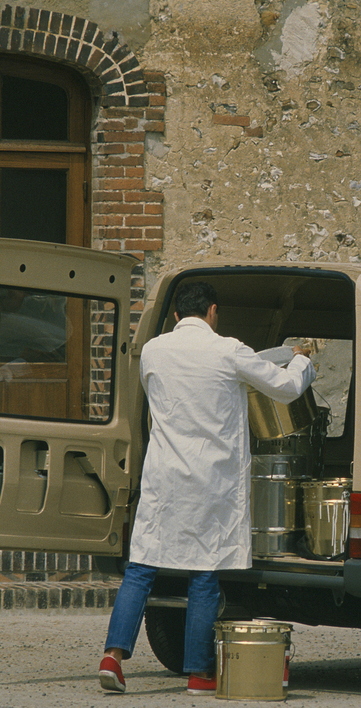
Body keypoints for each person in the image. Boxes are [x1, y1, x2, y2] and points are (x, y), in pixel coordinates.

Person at [98, 281, 316, 695]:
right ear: (213, 311)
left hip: (163, 476)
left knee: (141, 567)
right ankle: (199, 673)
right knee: (203, 573)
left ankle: (113, 657)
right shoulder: (228, 350)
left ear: (176, 315)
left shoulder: (153, 351)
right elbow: (286, 388)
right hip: (209, 479)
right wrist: (301, 360)